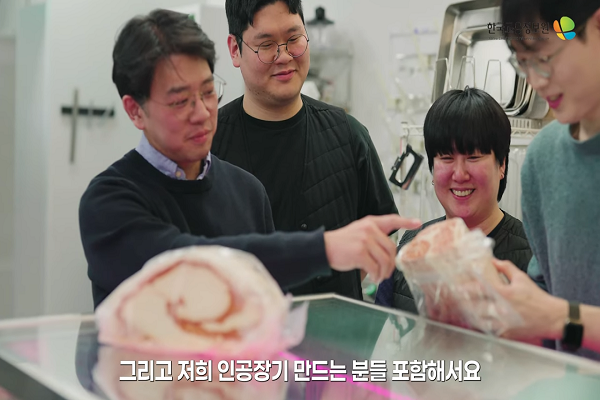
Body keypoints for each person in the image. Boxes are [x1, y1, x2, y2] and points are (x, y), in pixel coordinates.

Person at [78, 9, 420, 309]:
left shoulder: (247, 192)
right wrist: (324, 248)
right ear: (135, 110)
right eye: (180, 101)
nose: (202, 113)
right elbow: (182, 265)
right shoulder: (109, 200)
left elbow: (264, 304)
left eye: (208, 92)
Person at [212, 0, 398, 300]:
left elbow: (375, 239)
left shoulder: (348, 135)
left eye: (294, 38)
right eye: (266, 45)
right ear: (235, 49)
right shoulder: (208, 146)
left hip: (336, 327)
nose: (285, 56)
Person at [450, 0, 600, 360]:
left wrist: (562, 319)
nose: (536, 80)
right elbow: (545, 296)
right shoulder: (543, 158)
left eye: (544, 57)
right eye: (522, 61)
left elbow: (554, 316)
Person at [375, 88, 532, 311]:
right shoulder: (410, 251)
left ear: (502, 165)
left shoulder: (534, 258)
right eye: (446, 158)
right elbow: (381, 330)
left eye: (473, 157)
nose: (459, 174)